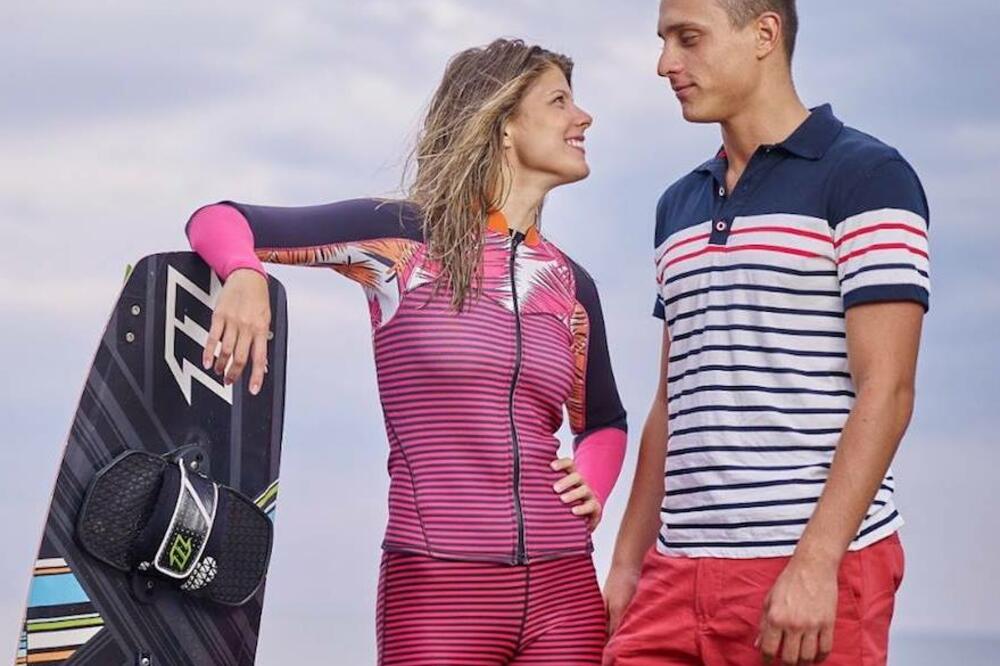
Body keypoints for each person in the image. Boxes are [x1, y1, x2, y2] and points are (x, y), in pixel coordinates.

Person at [185, 38, 628, 665]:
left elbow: (604, 420)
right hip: (439, 587)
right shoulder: (401, 241)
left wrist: (594, 485)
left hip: (565, 591)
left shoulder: (569, 284)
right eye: (560, 102)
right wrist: (244, 273)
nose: (583, 117)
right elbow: (219, 219)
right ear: (504, 123)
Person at [603, 2, 928, 665]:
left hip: (808, 571)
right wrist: (628, 565)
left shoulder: (867, 176)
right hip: (674, 575)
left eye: (688, 39)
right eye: (664, 40)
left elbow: (888, 388)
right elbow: (673, 401)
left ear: (764, 34)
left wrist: (817, 562)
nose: (665, 64)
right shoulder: (677, 205)